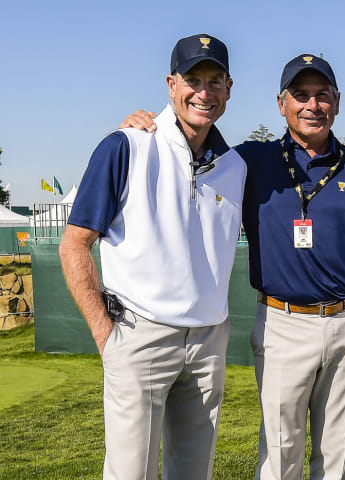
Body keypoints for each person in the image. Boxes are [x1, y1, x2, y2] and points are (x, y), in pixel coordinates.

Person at [119, 54, 345, 480]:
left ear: (337, 102)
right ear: (281, 104)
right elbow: (189, 151)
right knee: (281, 450)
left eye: (322, 95)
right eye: (300, 96)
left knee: (341, 450)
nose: (312, 105)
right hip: (282, 321)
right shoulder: (247, 162)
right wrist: (146, 126)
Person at [59, 34, 245, 480]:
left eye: (214, 80)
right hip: (139, 334)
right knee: (130, 473)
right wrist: (107, 338)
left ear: (229, 88)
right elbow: (74, 243)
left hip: (207, 340)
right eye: (192, 80)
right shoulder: (127, 145)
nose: (203, 92)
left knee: (192, 472)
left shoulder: (236, 166)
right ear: (170, 84)